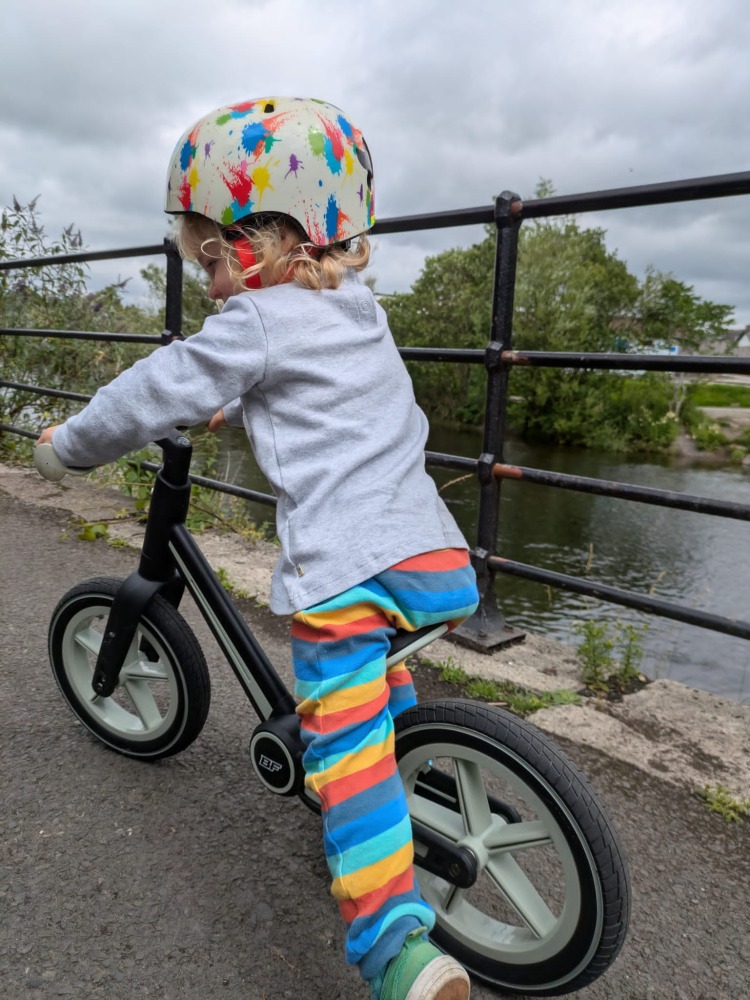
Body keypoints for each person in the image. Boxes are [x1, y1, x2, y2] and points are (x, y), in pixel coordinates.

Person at [38, 97, 478, 1000]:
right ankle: (422, 768)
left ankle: (394, 945)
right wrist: (234, 399)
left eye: (205, 258)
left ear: (244, 249)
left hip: (352, 568)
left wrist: (68, 446)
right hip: (436, 555)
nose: (205, 282)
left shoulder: (253, 321)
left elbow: (148, 390)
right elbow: (316, 387)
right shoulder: (361, 310)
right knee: (376, 690)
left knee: (340, 764)